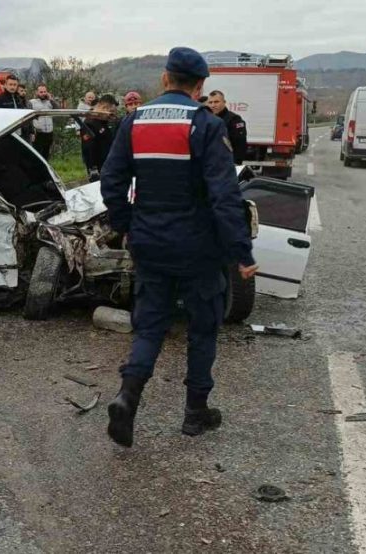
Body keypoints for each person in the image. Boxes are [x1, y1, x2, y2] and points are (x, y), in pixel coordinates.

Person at [100, 47, 258, 448]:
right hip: (199, 247)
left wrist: (127, 226)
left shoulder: (134, 121)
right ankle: (194, 413)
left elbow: (111, 182)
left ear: (165, 79)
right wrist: (242, 252)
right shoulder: (205, 125)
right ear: (200, 86)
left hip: (150, 242)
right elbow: (224, 196)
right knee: (203, 328)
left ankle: (127, 397)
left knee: (150, 324)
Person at [79, 94, 119, 181]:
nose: (110, 115)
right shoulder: (90, 123)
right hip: (98, 168)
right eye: (110, 112)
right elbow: (88, 147)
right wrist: (93, 168)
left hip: (108, 165)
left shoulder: (104, 122)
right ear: (104, 108)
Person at [206, 90, 248, 165]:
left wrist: (235, 164)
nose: (213, 105)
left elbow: (240, 146)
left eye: (216, 102)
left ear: (224, 102)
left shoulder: (234, 119)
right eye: (210, 102)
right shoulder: (206, 119)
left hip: (226, 164)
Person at [28, 84, 57, 159]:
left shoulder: (50, 102)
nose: (43, 93)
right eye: (41, 92)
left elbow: (57, 110)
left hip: (49, 132)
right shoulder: (31, 102)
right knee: (37, 154)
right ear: (37, 92)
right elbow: (28, 117)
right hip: (38, 132)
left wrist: (51, 99)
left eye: (45, 92)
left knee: (46, 153)